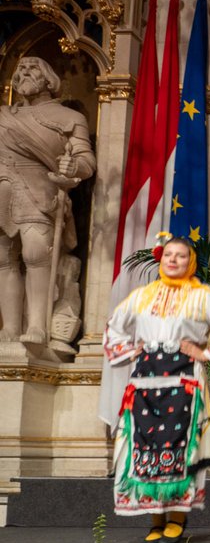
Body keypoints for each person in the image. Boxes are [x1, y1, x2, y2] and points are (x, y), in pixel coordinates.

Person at [102, 235, 210, 543]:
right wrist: (131, 350)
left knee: (182, 447)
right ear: (160, 258)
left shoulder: (203, 295)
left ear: (190, 261)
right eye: (169, 254)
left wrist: (206, 354)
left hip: (184, 381)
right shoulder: (141, 297)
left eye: (181, 256)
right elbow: (113, 326)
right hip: (144, 383)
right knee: (144, 447)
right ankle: (155, 518)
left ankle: (177, 517)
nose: (174, 260)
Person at [0, 56, 96, 344]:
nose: (24, 73)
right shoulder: (3, 115)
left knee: (35, 253)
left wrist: (73, 168)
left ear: (48, 78)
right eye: (20, 69)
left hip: (40, 189)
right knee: (4, 259)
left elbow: (85, 160)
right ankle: (10, 329)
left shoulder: (69, 117)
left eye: (32, 69)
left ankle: (38, 327)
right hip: (2, 187)